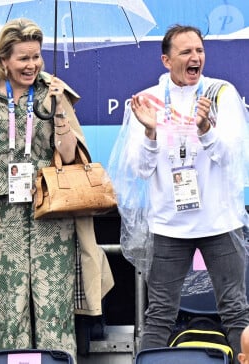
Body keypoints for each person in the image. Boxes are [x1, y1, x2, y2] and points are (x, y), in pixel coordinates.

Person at [0, 18, 113, 359]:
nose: (31, 65)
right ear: (3, 61)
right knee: (10, 311)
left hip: (51, 217)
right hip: (3, 218)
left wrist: (59, 113)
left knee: (54, 311)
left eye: (36, 57)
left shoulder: (53, 90)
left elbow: (71, 156)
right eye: (23, 58)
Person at [109, 24, 249, 361]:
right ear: (166, 60)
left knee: (236, 312)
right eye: (186, 52)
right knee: (159, 316)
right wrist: (150, 133)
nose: (195, 57)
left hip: (220, 223)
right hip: (168, 227)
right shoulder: (147, 101)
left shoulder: (221, 93)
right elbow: (139, 170)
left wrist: (205, 130)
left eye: (199, 51)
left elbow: (233, 158)